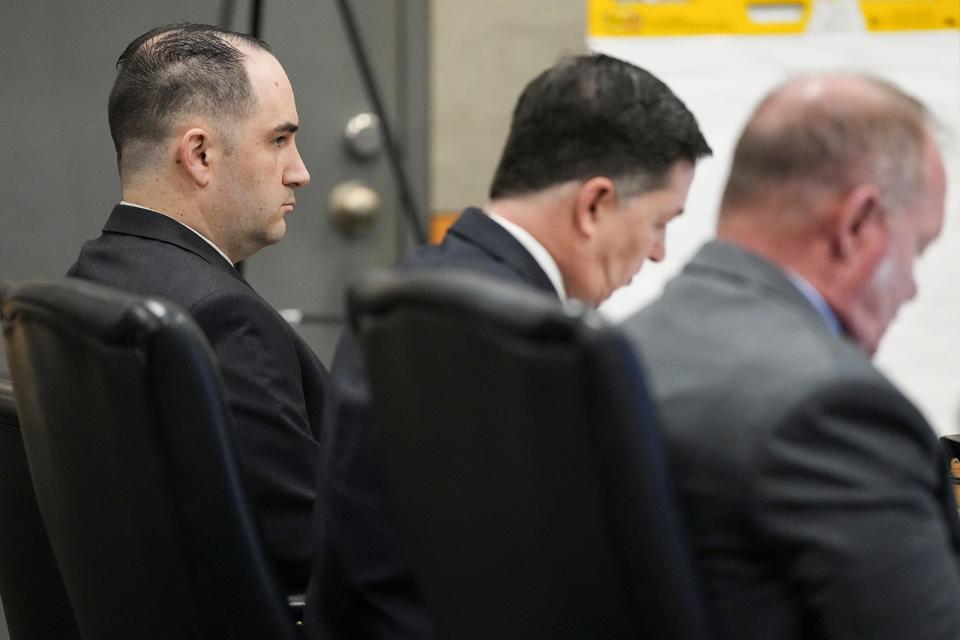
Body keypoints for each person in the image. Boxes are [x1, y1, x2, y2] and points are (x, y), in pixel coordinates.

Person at [306, 53, 712, 639]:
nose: (658, 253)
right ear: (594, 204)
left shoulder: (412, 289)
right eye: (659, 221)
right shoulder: (535, 350)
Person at [622, 73, 960, 639]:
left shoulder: (630, 344)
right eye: (916, 249)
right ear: (857, 225)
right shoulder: (834, 409)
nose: (911, 288)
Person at [68, 23, 325, 592]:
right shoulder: (221, 319)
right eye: (279, 140)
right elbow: (312, 547)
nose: (299, 171)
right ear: (201, 154)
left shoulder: (90, 278)